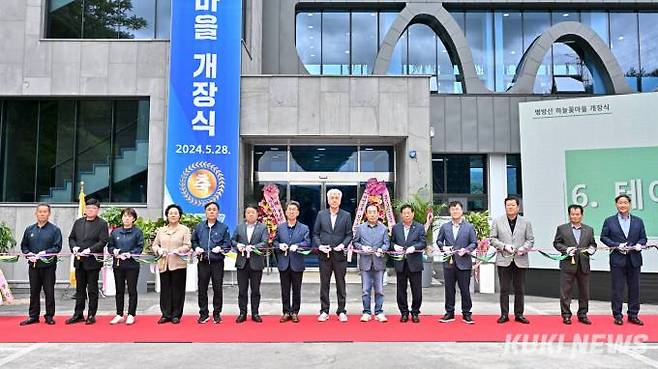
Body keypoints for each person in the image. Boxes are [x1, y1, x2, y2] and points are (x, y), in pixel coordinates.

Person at [601, 194, 647, 326]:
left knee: (634, 288)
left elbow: (643, 238)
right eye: (620, 203)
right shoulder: (609, 221)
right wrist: (616, 245)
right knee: (617, 288)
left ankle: (633, 315)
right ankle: (617, 315)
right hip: (617, 260)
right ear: (616, 205)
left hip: (634, 260)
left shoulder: (638, 221)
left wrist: (640, 244)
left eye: (625, 203)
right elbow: (604, 237)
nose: (623, 205)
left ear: (630, 204)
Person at [490, 196, 534, 324]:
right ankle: (504, 314)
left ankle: (519, 314)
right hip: (504, 259)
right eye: (508, 205)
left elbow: (530, 240)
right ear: (505, 207)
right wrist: (504, 246)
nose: (510, 207)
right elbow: (492, 239)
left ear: (518, 207)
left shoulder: (526, 222)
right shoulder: (498, 221)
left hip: (520, 259)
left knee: (519, 289)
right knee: (504, 289)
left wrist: (523, 249)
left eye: (513, 205)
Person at [66, 198, 109, 325]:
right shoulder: (78, 222)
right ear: (85, 209)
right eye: (89, 208)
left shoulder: (102, 223)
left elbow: (103, 241)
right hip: (79, 261)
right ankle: (78, 314)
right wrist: (73, 247)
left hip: (93, 261)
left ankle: (91, 314)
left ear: (97, 210)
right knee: (79, 289)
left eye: (94, 208)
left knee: (92, 289)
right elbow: (71, 238)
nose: (91, 210)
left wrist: (90, 250)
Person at [313, 188, 353, 322]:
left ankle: (341, 310)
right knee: (324, 284)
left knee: (341, 284)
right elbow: (315, 234)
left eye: (337, 197)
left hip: (339, 255)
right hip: (324, 255)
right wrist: (319, 246)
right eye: (332, 197)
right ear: (328, 199)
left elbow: (349, 235)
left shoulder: (346, 215)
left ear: (340, 200)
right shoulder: (321, 214)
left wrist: (343, 245)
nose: (334, 200)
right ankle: (324, 310)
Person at [553, 204, 597, 325]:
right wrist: (566, 249)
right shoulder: (562, 229)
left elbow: (593, 244)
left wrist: (592, 249)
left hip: (583, 265)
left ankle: (583, 314)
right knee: (565, 292)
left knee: (584, 291)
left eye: (577, 214)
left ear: (582, 215)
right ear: (569, 215)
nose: (575, 216)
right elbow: (556, 243)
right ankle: (566, 315)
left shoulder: (589, 229)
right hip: (567, 264)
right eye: (572, 214)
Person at [19, 203, 63, 326]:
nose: (42, 214)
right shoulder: (29, 229)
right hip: (33, 266)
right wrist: (28, 254)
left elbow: (57, 247)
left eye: (45, 212)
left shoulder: (55, 230)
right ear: (36, 213)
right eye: (40, 211)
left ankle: (49, 316)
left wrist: (45, 253)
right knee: (34, 291)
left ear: (49, 214)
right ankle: (33, 316)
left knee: (49, 291)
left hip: (48, 266)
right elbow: (24, 246)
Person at [435, 201, 477, 324]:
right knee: (449, 289)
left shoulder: (469, 227)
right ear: (450, 211)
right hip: (449, 262)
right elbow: (438, 241)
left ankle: (467, 314)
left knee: (465, 289)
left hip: (464, 263)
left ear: (462, 210)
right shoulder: (445, 227)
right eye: (453, 210)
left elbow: (474, 243)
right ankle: (449, 313)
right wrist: (443, 248)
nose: (455, 212)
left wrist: (466, 250)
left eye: (457, 209)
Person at [151, 204, 192, 324]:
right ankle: (165, 314)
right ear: (167, 215)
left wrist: (179, 250)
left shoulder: (184, 229)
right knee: (165, 289)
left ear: (179, 216)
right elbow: (155, 244)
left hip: (178, 263)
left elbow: (188, 245)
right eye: (170, 213)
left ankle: (176, 315)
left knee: (177, 289)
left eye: (175, 213)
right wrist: (159, 250)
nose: (173, 215)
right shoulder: (161, 230)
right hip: (164, 263)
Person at [192, 201, 231, 324]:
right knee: (202, 288)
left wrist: (221, 248)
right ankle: (203, 313)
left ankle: (217, 313)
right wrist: (196, 247)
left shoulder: (223, 227)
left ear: (218, 212)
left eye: (214, 209)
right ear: (205, 212)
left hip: (217, 263)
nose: (211, 211)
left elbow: (227, 244)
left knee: (217, 288)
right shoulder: (199, 227)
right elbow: (194, 240)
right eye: (209, 209)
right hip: (203, 261)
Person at [273, 200, 310, 323]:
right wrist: (279, 245)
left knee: (296, 289)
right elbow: (274, 242)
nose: (291, 211)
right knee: (284, 289)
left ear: (298, 212)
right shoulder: (280, 227)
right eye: (289, 209)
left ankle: (295, 312)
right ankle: (286, 312)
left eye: (294, 210)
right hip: (284, 263)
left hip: (297, 263)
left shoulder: (304, 228)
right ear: (286, 212)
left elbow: (307, 243)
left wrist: (298, 246)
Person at [353, 204, 390, 323]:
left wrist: (382, 249)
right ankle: (366, 312)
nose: (372, 214)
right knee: (365, 290)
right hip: (365, 262)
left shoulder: (384, 228)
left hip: (379, 263)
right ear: (366, 214)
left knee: (379, 290)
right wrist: (362, 247)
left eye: (375, 212)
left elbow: (386, 244)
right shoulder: (360, 228)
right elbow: (355, 242)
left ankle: (379, 312)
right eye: (370, 212)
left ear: (378, 214)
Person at [232, 204, 269, 323]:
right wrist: (238, 245)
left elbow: (264, 242)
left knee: (255, 290)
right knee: (242, 290)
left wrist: (253, 247)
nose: (250, 214)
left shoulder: (262, 227)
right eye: (248, 212)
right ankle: (242, 313)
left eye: (253, 212)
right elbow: (232, 240)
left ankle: (255, 313)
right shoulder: (239, 227)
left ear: (257, 214)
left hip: (256, 262)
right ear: (245, 214)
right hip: (242, 263)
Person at [107, 208, 144, 326]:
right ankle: (119, 314)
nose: (126, 218)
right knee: (119, 290)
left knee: (132, 290)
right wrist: (115, 251)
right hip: (118, 264)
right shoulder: (115, 232)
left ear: (133, 219)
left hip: (132, 264)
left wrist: (130, 253)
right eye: (124, 216)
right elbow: (110, 246)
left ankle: (131, 314)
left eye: (129, 216)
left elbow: (139, 247)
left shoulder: (137, 232)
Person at [390, 204, 426, 323]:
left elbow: (423, 243)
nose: (406, 215)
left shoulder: (419, 227)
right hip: (401, 263)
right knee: (401, 290)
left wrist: (414, 247)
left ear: (413, 214)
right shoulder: (396, 228)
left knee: (417, 290)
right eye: (404, 213)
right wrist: (394, 246)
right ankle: (404, 312)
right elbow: (391, 242)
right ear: (401, 215)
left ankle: (415, 312)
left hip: (414, 263)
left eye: (409, 213)